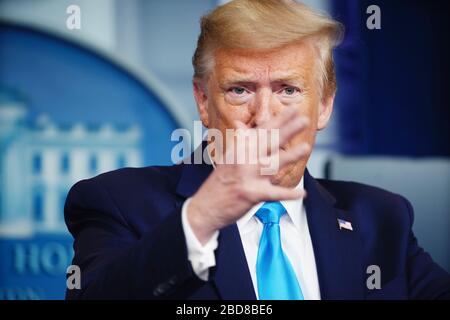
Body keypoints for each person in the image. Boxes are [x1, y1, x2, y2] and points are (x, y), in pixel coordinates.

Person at [64, 0, 450, 299]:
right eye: (239, 90)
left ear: (325, 105)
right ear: (202, 101)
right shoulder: (118, 202)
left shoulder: (382, 219)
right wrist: (202, 216)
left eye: (288, 90)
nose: (264, 118)